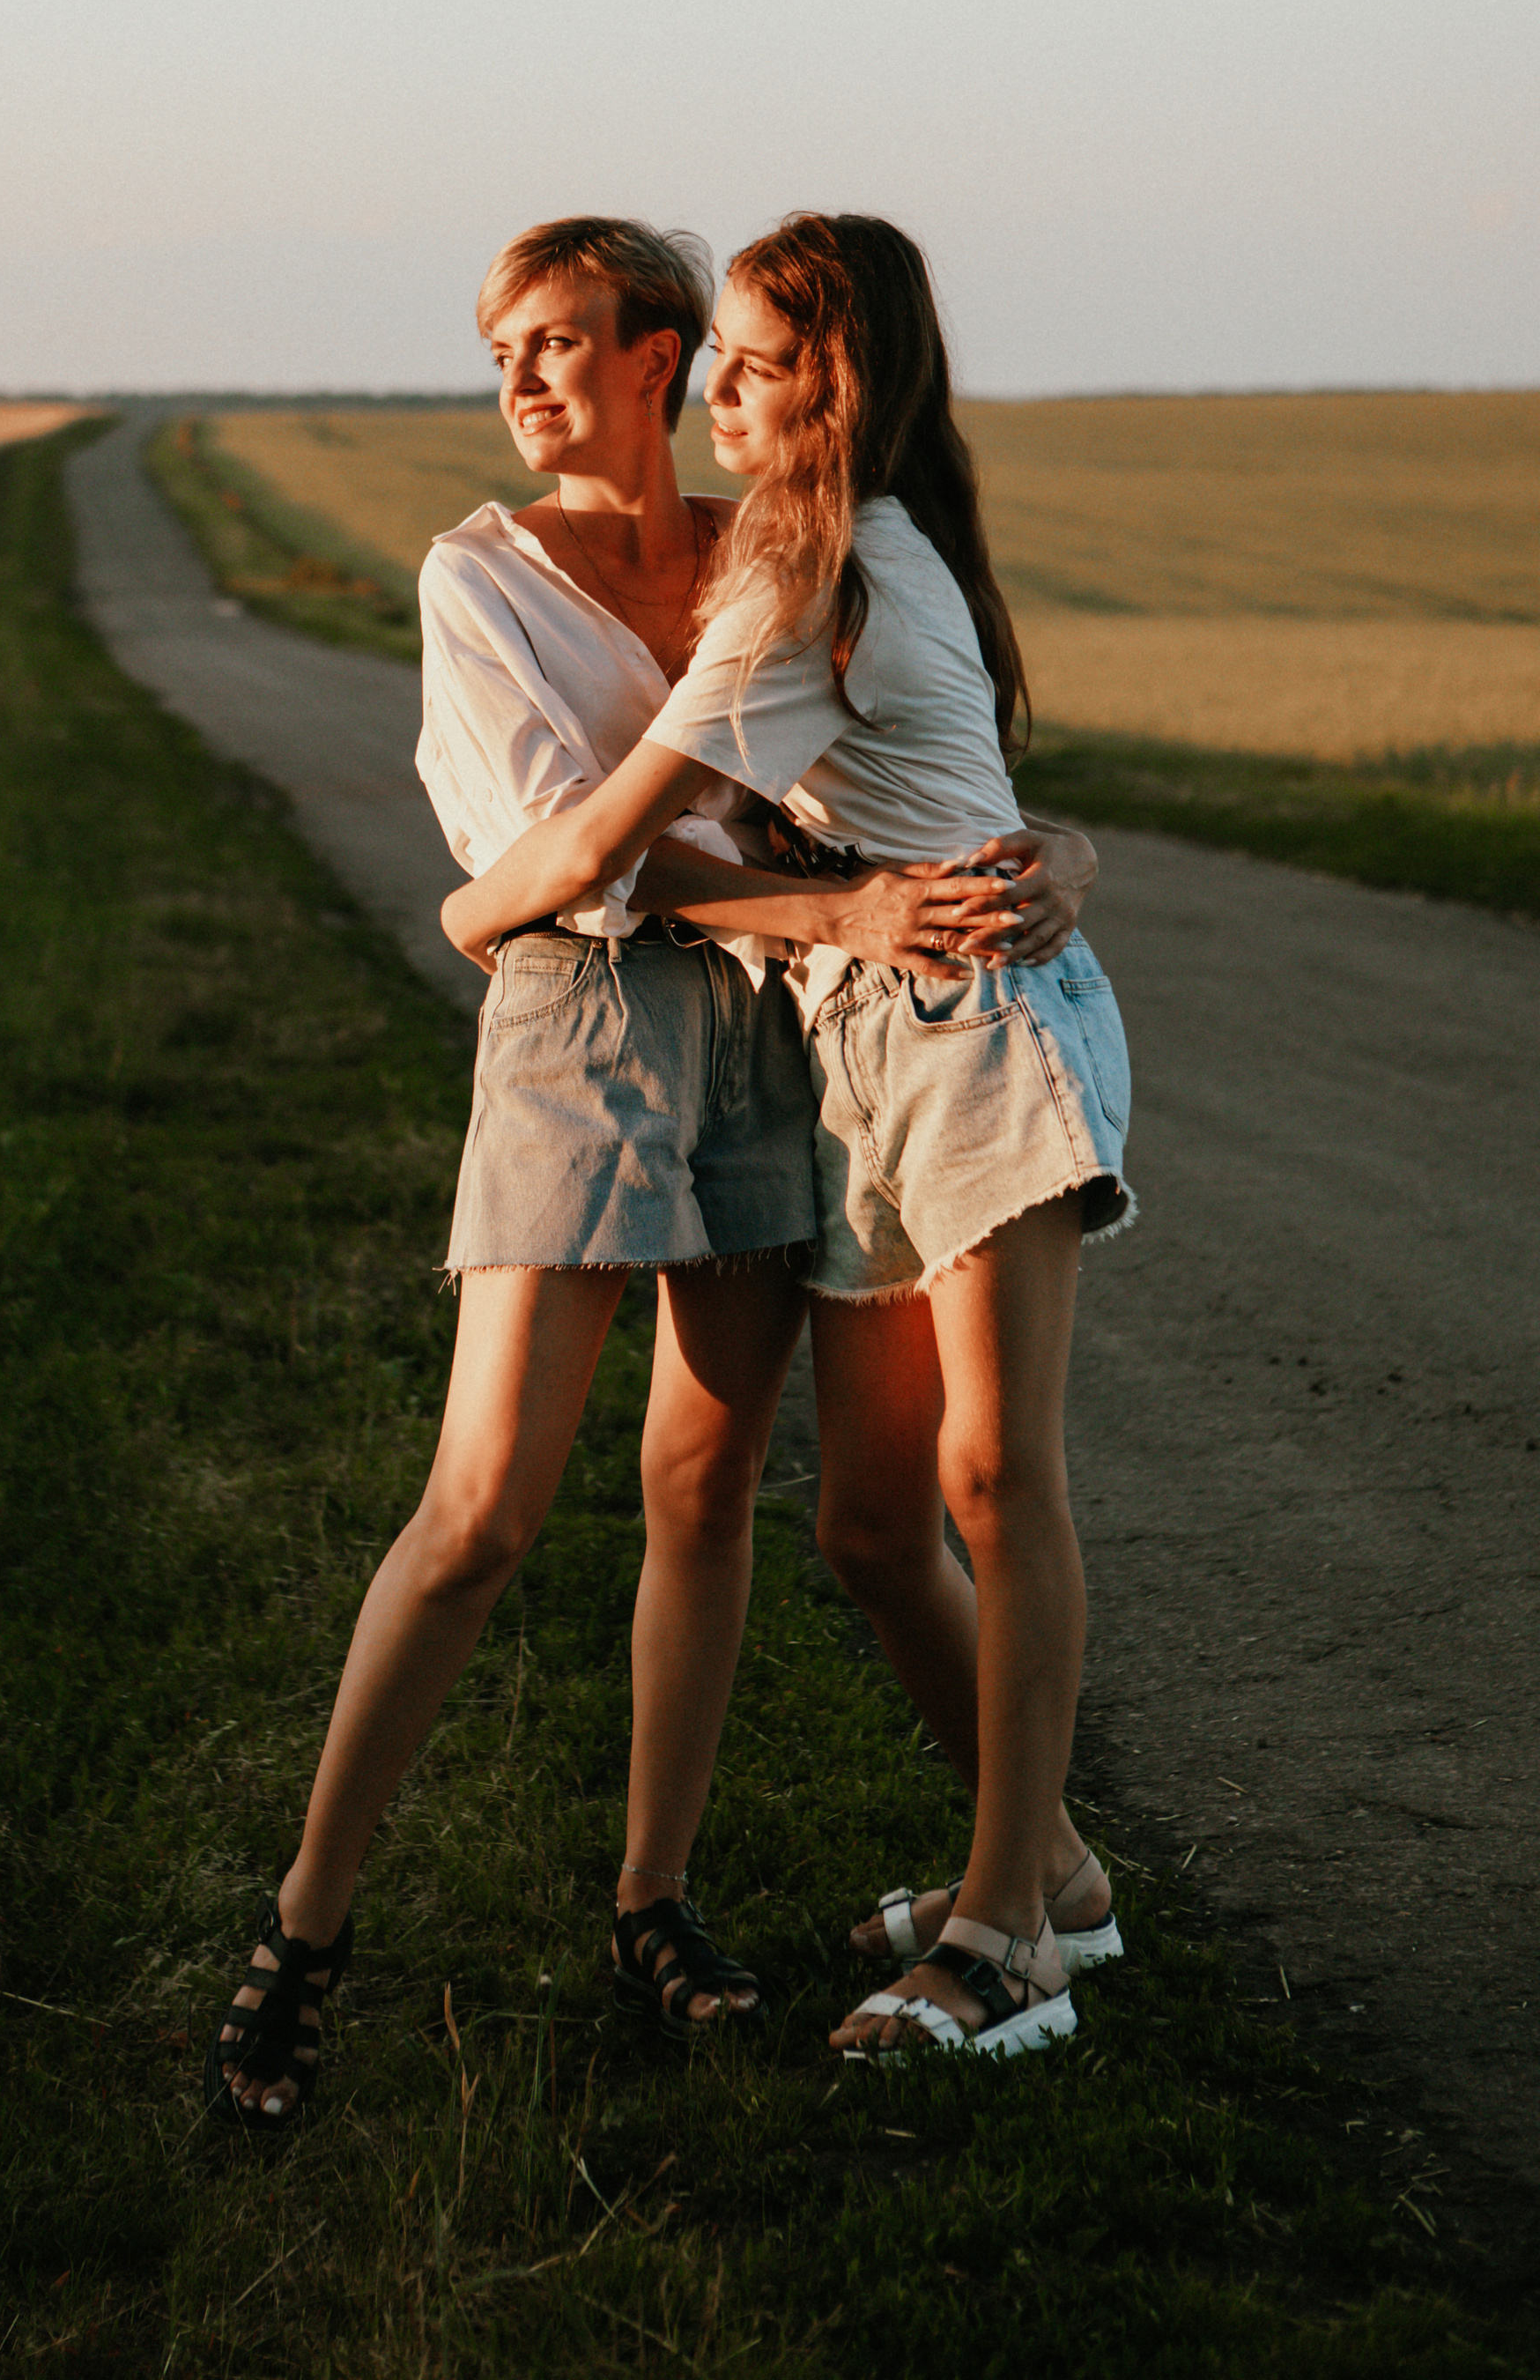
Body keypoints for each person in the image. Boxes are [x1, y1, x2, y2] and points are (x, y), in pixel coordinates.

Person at [204, 217, 1095, 2134]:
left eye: (554, 340)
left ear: (658, 354)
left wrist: (1039, 860)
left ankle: (657, 1900)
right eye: (499, 352)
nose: (521, 380)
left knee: (703, 1484)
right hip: (586, 1026)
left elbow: (898, 773)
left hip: (777, 1038)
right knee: (479, 1512)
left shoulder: (767, 542)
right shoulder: (478, 576)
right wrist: (556, 907)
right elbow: (580, 850)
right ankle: (304, 1924)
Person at [441, 212, 1134, 2060]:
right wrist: (1045, 852)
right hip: (859, 1045)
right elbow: (920, 806)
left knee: (994, 1479)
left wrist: (468, 908)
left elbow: (607, 841)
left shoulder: (803, 572)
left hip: (971, 1034)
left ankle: (1007, 1937)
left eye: (752, 369)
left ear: (830, 385)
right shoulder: (836, 553)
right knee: (867, 1522)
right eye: (720, 363)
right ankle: (1055, 1872)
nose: (720, 398)